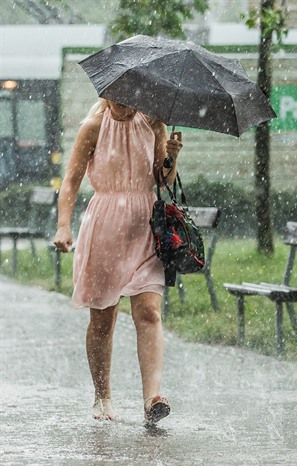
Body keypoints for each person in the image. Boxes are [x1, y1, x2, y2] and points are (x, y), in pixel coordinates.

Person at [53, 98, 183, 424]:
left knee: (149, 312)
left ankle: (151, 399)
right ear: (106, 93)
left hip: (145, 227)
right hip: (105, 228)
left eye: (129, 95)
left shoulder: (153, 121)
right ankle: (102, 397)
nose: (123, 103)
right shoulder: (93, 127)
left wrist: (171, 156)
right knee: (102, 321)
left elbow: (162, 179)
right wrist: (63, 225)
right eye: (116, 95)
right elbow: (71, 180)